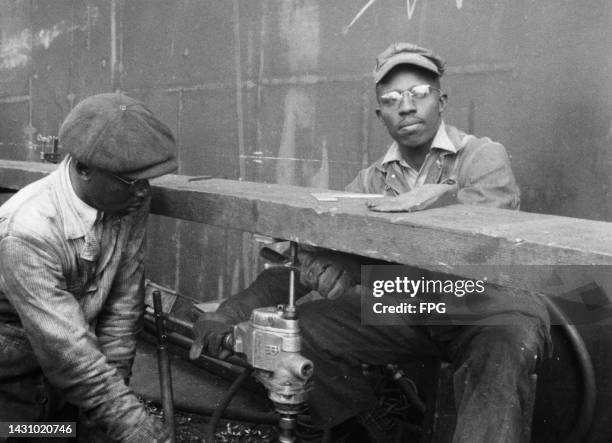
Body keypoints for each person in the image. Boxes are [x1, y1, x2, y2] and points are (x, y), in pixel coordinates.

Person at [190, 43, 551, 442]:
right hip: (413, 305)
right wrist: (227, 315)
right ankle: (377, 430)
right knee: (305, 332)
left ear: (441, 100)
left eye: (419, 94)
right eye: (392, 100)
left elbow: (470, 249)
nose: (407, 107)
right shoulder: (370, 183)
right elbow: (299, 260)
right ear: (381, 115)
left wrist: (357, 268)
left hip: (486, 305)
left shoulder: (482, 157)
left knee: (502, 349)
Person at [0, 93, 177, 443]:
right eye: (132, 181)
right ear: (83, 169)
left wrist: (113, 409)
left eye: (147, 180)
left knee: (74, 433)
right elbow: (63, 347)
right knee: (30, 435)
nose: (144, 192)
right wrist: (134, 427)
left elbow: (124, 304)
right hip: (12, 374)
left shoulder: (128, 198)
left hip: (71, 359)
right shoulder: (26, 230)